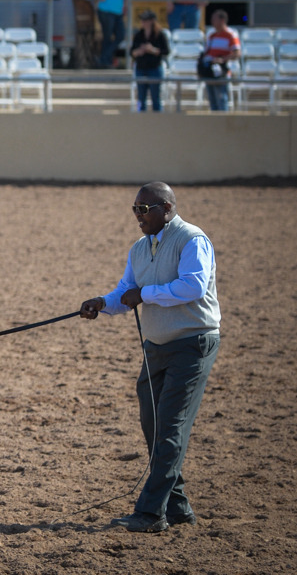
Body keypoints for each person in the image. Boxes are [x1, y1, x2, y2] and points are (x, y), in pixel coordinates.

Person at [80, 181, 220, 533]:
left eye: (145, 209)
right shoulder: (140, 249)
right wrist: (102, 303)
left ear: (167, 209)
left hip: (192, 343)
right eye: (135, 209)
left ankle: (149, 513)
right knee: (154, 426)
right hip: (156, 347)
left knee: (170, 428)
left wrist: (146, 294)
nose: (138, 216)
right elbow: (126, 291)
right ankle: (177, 507)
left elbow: (193, 286)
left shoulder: (192, 240)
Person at [200, 9, 241, 112]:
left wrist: (222, 60)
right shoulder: (211, 35)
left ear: (222, 20)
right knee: (212, 100)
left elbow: (237, 53)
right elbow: (207, 52)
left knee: (221, 99)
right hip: (210, 72)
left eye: (214, 19)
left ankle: (222, 121)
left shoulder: (231, 34)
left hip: (222, 73)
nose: (212, 21)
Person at [131, 10, 170, 112]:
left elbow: (166, 51)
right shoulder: (139, 35)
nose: (143, 22)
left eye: (146, 20)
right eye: (142, 20)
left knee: (156, 98)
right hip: (141, 68)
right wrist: (140, 51)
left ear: (152, 21)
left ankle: (157, 122)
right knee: (141, 99)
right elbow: (132, 52)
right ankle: (141, 120)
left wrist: (152, 49)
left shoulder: (159, 35)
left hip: (154, 69)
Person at [96, 0, 126, 69]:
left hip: (118, 11)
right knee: (107, 37)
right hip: (106, 10)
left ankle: (104, 57)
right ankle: (105, 60)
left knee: (121, 36)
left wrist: (125, 5)